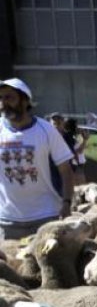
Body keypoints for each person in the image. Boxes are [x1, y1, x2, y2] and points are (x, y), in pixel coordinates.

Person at [0, 78, 75, 240]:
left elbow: (66, 170)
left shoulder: (46, 130)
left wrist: (67, 202)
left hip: (45, 216)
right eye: (1, 98)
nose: (3, 103)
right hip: (7, 219)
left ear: (25, 100)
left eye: (9, 98)